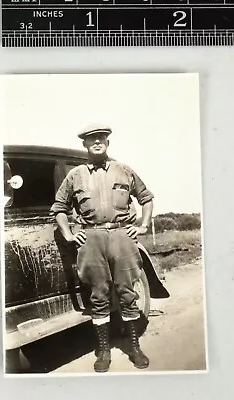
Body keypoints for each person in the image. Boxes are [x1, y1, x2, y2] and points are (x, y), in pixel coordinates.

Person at [50, 124, 154, 373]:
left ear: (107, 142)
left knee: (128, 293)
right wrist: (68, 234)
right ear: (85, 145)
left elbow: (146, 198)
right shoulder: (75, 175)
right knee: (98, 296)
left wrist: (143, 225)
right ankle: (104, 351)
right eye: (91, 139)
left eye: (101, 138)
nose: (97, 142)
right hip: (91, 238)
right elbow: (59, 208)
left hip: (121, 235)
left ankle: (134, 347)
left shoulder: (124, 170)